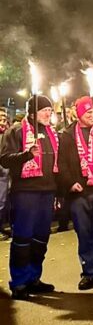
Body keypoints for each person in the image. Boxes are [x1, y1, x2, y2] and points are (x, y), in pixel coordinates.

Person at [0, 95, 60, 300]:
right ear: (33, 113)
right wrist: (26, 155)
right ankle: (19, 282)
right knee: (23, 238)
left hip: (47, 192)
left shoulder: (51, 133)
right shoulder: (16, 131)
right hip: (25, 193)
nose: (49, 114)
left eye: (50, 111)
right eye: (44, 111)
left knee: (41, 238)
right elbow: (5, 159)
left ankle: (34, 277)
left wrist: (59, 192)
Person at [57, 97, 93, 289]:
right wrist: (70, 183)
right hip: (79, 193)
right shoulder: (67, 135)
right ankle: (88, 272)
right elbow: (61, 163)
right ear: (79, 114)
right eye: (88, 112)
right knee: (84, 234)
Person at [0, 108, 11, 240]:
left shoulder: (7, 135)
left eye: (4, 119)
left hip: (6, 175)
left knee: (4, 203)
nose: (3, 122)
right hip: (1, 173)